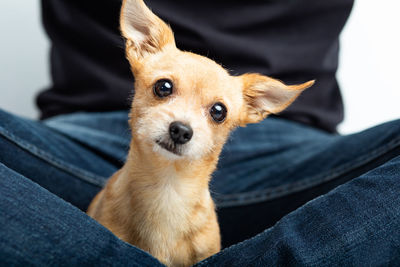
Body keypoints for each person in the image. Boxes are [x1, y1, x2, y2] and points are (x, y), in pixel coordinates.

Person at [1, 0, 399, 265]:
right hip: (75, 142)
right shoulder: (146, 45)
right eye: (165, 88)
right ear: (139, 47)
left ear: (253, 107)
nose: (183, 123)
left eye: (217, 111)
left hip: (299, 156)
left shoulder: (255, 105)